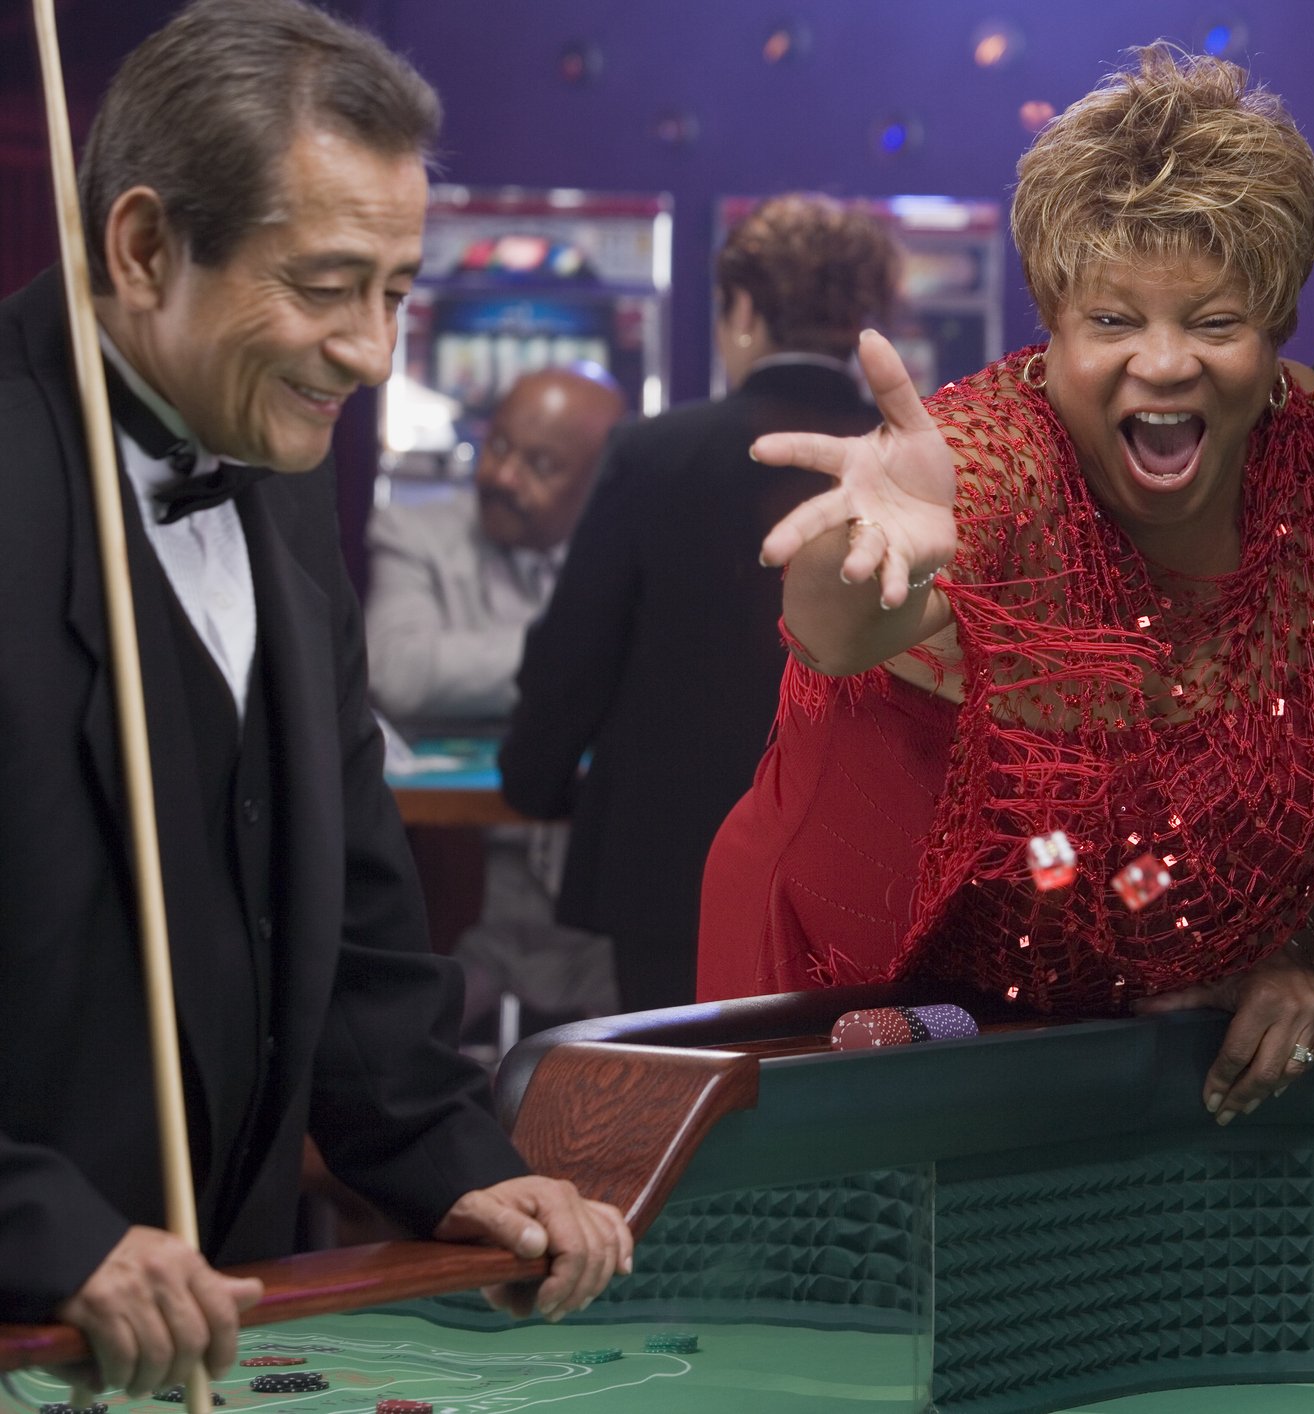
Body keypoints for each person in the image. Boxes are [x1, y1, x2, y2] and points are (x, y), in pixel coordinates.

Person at [0, 0, 630, 1397]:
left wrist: (461, 1167)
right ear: (146, 246)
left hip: (211, 1335)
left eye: (396, 292)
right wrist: (43, 1232)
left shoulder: (276, 479)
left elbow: (349, 926)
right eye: (327, 284)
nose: (372, 352)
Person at [697, 47, 1314, 1127]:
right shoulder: (996, 460)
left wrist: (1275, 952)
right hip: (843, 966)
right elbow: (832, 629)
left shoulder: (1312, 446)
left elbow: (1286, 750)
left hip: (1081, 979)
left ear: (1276, 334)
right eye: (1111, 320)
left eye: (1213, 321)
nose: (1163, 362)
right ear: (1051, 330)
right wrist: (860, 542)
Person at [500, 194, 896, 1013]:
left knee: (682, 1115)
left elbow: (576, 654)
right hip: (866, 859)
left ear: (743, 309)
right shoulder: (909, 463)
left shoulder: (654, 452)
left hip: (667, 866)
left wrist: (533, 786)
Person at [366, 367, 626, 1032]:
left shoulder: (630, 555)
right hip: (457, 880)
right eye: (498, 446)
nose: (504, 476)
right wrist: (582, 658)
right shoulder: (410, 532)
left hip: (598, 888)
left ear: (600, 484)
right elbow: (401, 670)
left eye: (540, 464)